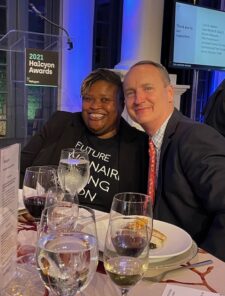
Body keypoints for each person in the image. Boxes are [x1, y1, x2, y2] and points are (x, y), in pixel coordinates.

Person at [123, 60, 225, 262]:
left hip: (193, 265)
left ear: (170, 94)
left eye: (148, 88)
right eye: (130, 93)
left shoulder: (194, 137)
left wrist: (206, 264)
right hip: (160, 258)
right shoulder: (148, 143)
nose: (138, 99)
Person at [20, 68, 149, 212]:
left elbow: (140, 204)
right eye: (88, 98)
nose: (94, 106)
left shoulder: (139, 144)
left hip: (103, 228)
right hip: (49, 217)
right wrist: (22, 207)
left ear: (121, 105)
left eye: (105, 100)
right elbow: (20, 170)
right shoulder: (61, 123)